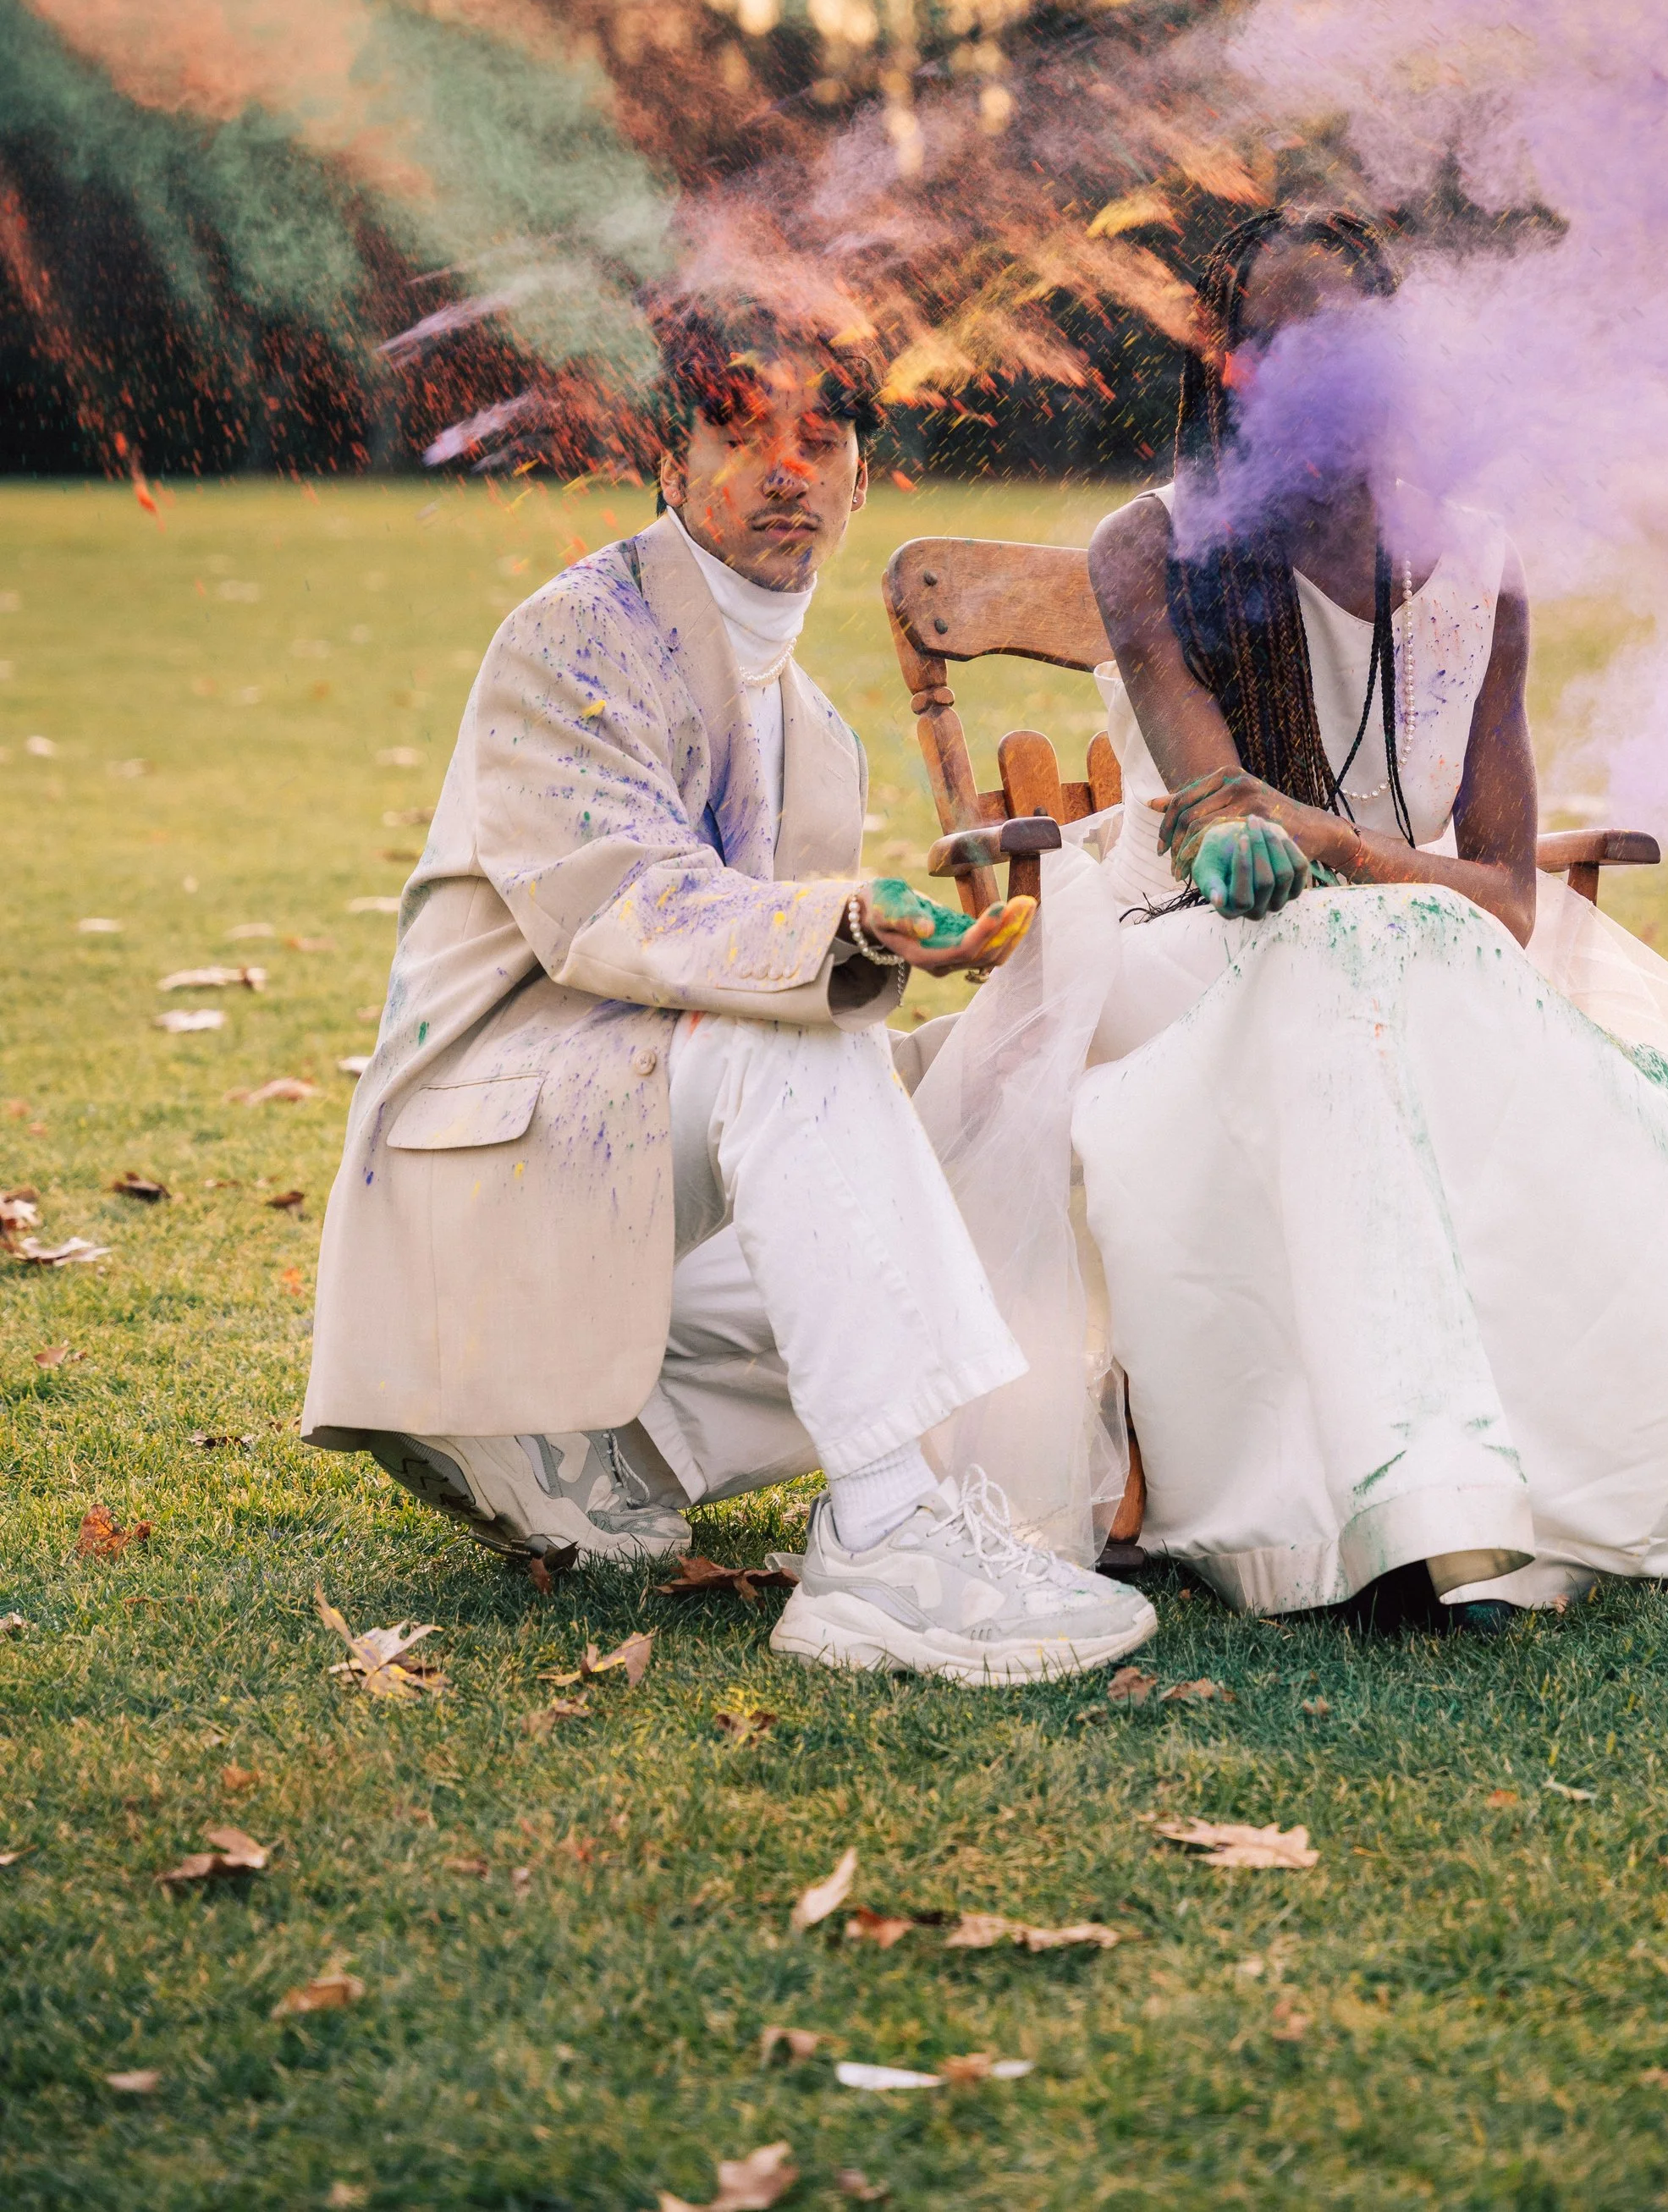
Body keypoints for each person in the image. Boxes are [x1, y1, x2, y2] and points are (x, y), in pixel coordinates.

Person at [923, 207, 1668, 1620]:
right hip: (1185, 952)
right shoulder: (1150, 547)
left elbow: (1512, 897)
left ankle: (1477, 1482)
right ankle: (1388, 1508)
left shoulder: (1482, 565)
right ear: (1230, 367)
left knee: (1484, 1028)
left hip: (1419, 946)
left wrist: (1339, 845)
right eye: (1287, 341)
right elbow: (1219, 813)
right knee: (1337, 973)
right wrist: (1261, 837)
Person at [301, 298, 1156, 1686]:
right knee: (798, 1034)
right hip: (489, 1198)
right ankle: (883, 1543)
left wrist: (995, 1022)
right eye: (742, 428)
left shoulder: (817, 736)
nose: (787, 467)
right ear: (665, 455)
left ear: (863, 477)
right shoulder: (572, 634)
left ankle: (904, 1496)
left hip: (626, 1298)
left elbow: (782, 1045)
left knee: (989, 1093)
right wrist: (850, 919)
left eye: (823, 437)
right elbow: (623, 913)